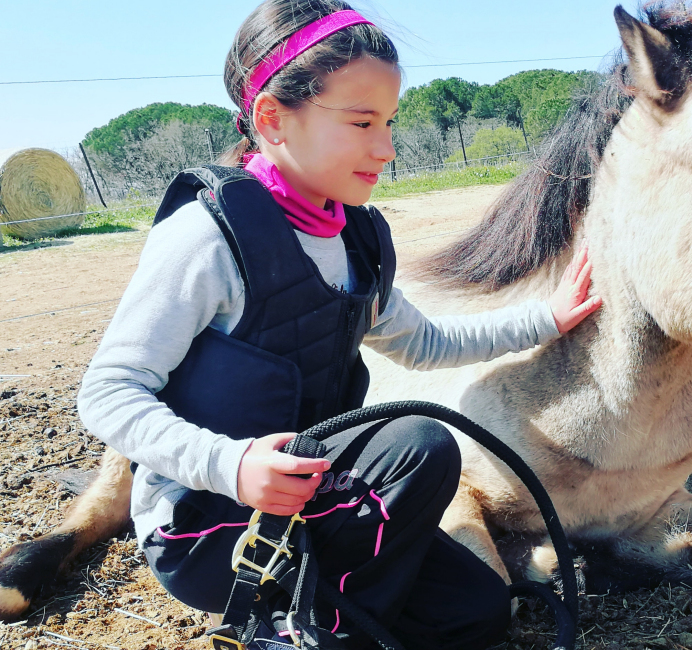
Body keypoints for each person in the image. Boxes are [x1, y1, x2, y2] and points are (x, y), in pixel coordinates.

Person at [76, 2, 602, 649]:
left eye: (389, 122)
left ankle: (314, 617)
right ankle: (303, 635)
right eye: (361, 122)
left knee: (476, 612)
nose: (386, 148)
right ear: (273, 119)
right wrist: (230, 464)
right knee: (420, 445)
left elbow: (426, 343)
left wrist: (546, 318)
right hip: (210, 527)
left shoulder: (357, 242)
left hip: (316, 500)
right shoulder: (207, 238)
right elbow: (108, 392)